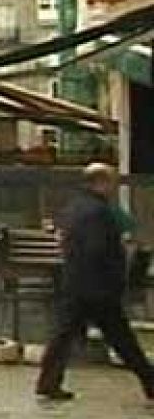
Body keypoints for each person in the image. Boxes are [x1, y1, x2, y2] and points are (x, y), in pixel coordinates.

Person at [35, 162, 154, 402]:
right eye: (111, 182)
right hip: (97, 287)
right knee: (122, 339)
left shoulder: (74, 207)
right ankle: (150, 382)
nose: (113, 187)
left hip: (76, 282)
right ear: (100, 182)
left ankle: (48, 381)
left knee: (64, 335)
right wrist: (117, 275)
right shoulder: (98, 212)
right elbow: (97, 249)